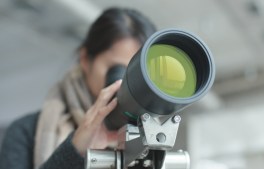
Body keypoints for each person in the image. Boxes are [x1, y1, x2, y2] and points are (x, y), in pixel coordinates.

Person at [0, 7, 156, 169]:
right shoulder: (25, 132)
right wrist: (75, 151)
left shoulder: (146, 140)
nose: (126, 81)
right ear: (85, 59)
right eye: (117, 69)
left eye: (136, 72)